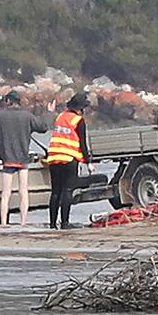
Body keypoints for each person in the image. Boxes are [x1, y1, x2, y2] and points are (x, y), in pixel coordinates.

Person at [0, 90, 48, 227]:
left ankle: (4, 223)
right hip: (23, 159)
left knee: (6, 193)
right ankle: (23, 222)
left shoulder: (0, 116)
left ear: (9, 101)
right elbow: (43, 128)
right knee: (23, 191)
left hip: (7, 159)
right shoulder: (27, 115)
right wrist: (46, 113)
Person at [45, 92, 95, 229]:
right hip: (69, 159)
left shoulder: (60, 117)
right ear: (80, 108)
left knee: (55, 192)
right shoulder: (78, 121)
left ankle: (52, 223)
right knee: (67, 190)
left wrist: (51, 111)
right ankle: (65, 223)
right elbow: (82, 143)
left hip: (54, 158)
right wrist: (88, 162)